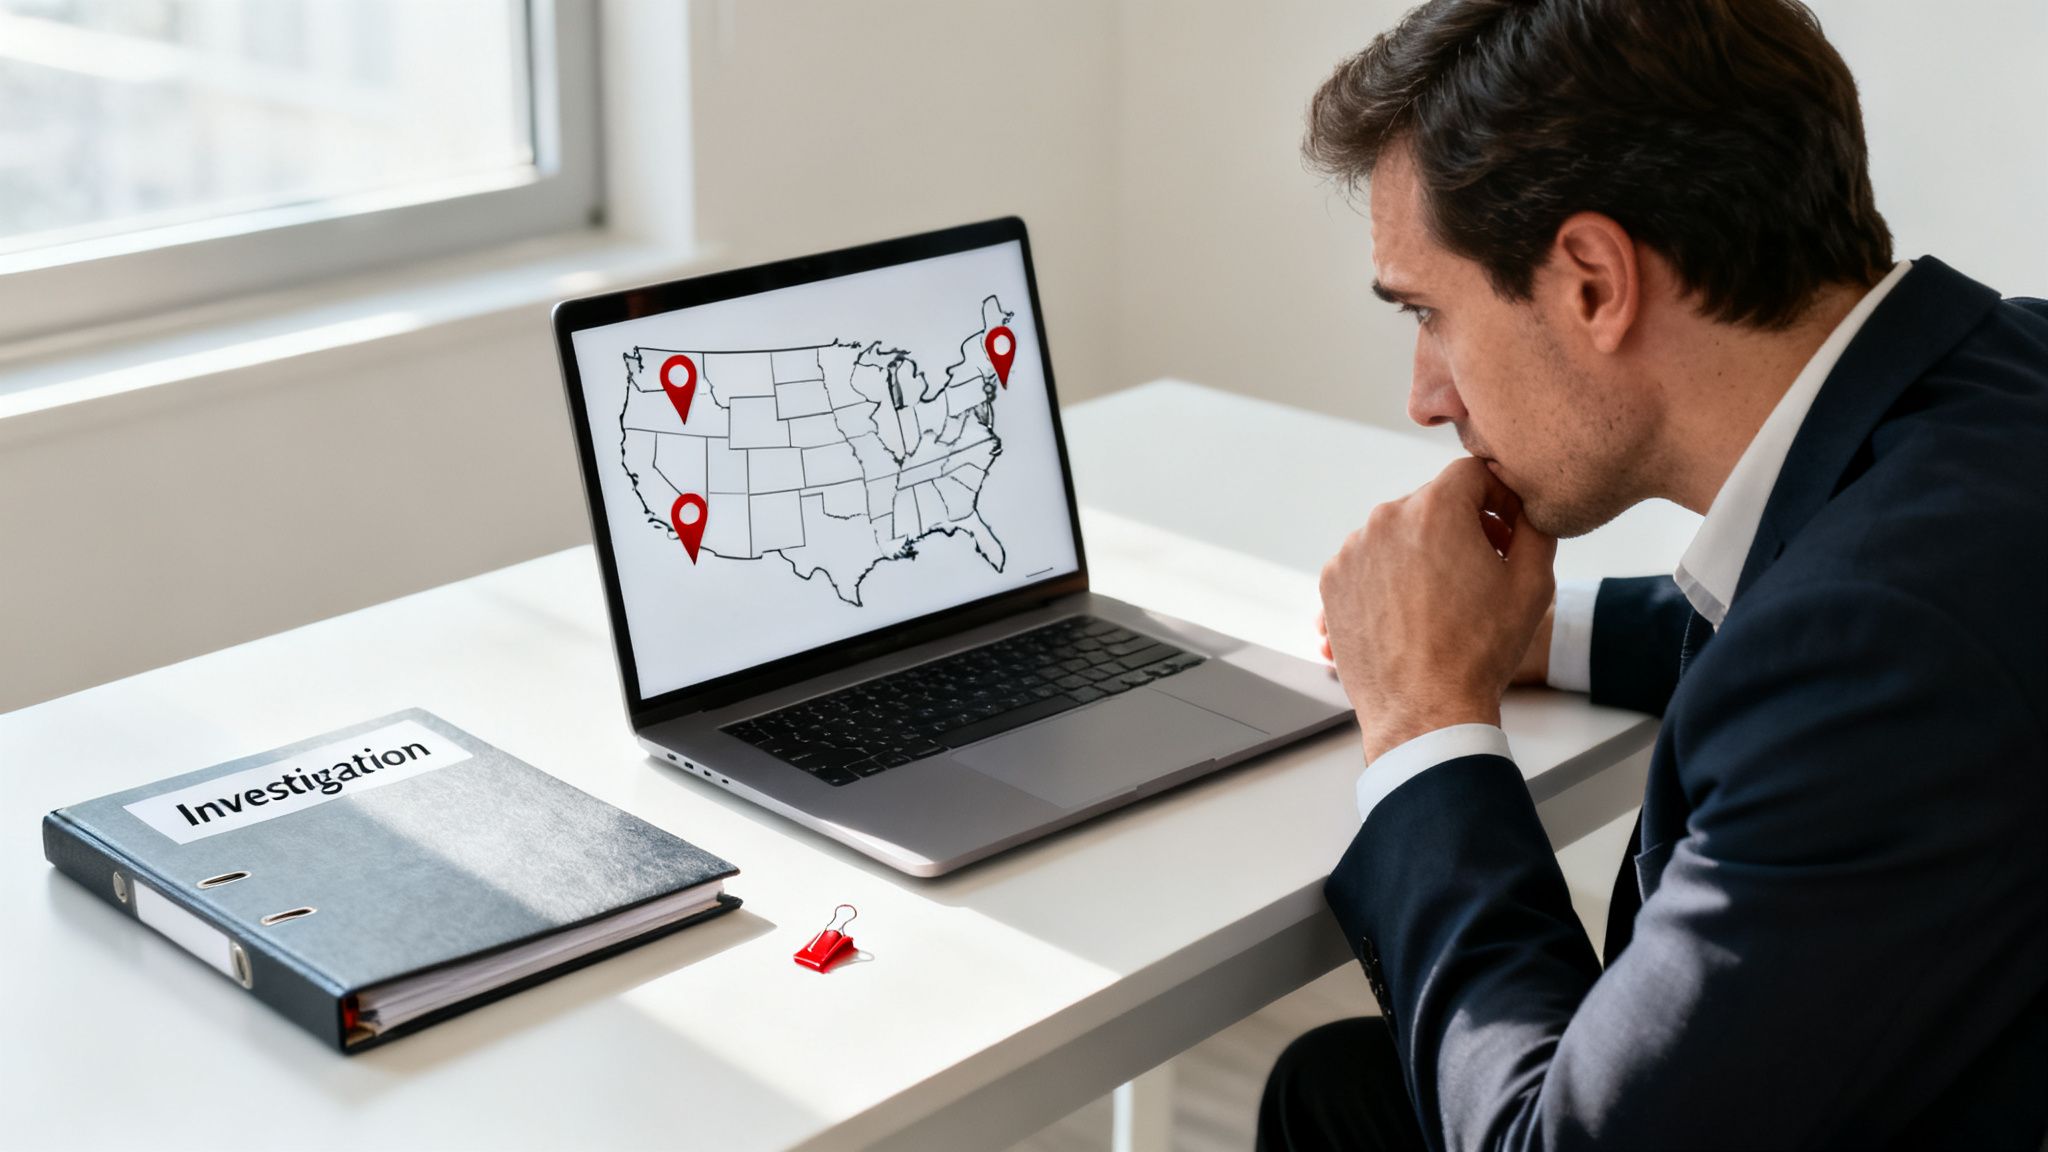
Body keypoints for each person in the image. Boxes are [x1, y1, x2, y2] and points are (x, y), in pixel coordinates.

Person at [1257, 1, 2048, 1149]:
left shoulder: (1870, 651)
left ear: (1591, 280)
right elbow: (1815, 605)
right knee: (1339, 1089)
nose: (1423, 395)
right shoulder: (1999, 375)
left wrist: (1426, 715)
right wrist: (1539, 633)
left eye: (1429, 314)